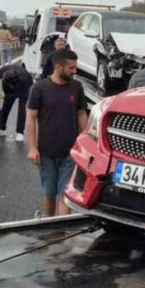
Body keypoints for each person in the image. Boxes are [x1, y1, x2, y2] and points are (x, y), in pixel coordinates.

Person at [26, 48, 89, 217]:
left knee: (65, 193)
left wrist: (87, 141)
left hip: (70, 152)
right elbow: (31, 118)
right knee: (50, 192)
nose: (74, 71)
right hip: (46, 152)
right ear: (58, 67)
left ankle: (60, 231)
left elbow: (81, 113)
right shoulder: (39, 89)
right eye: (71, 68)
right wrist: (32, 148)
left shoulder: (76, 87)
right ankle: (48, 222)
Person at [0, 60, 33, 141]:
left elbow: (15, 93)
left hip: (25, 88)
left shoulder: (24, 78)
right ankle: (1, 127)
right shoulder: (2, 71)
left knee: (21, 107)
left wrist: (5, 96)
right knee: (6, 106)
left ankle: (20, 132)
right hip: (11, 86)